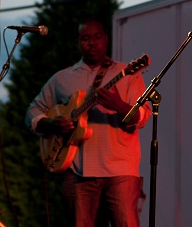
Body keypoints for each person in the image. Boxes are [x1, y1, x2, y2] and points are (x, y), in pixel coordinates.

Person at [26, 18, 151, 227]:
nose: (92, 43)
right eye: (85, 38)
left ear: (106, 40)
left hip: (121, 170)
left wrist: (119, 105)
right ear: (78, 43)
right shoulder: (62, 78)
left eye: (97, 37)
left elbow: (143, 117)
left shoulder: (128, 73)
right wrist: (52, 124)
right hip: (78, 171)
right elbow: (32, 110)